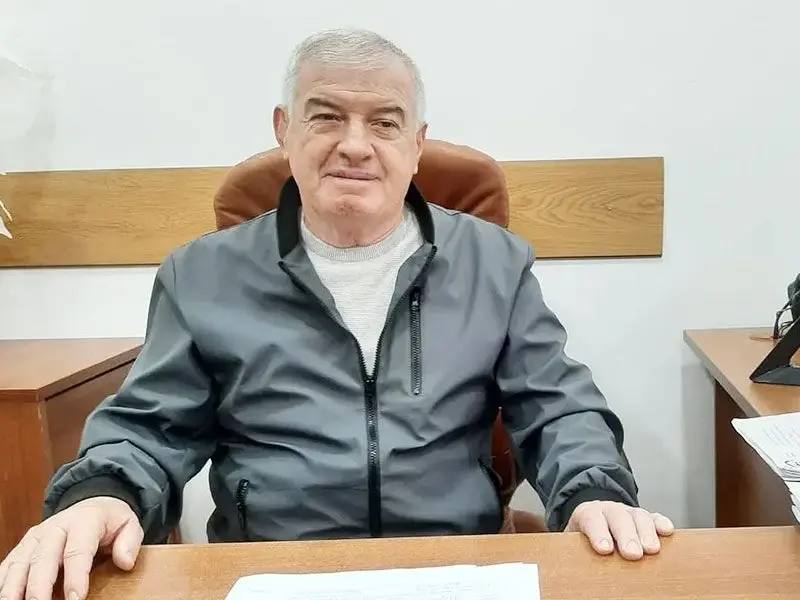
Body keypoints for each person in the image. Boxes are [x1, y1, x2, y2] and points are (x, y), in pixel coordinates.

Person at [0, 28, 673, 600]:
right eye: (326, 117)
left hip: (454, 566)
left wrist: (593, 490)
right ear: (284, 130)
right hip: (271, 571)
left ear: (417, 144)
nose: (355, 144)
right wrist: (103, 493)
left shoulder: (494, 262)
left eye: (384, 123)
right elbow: (150, 426)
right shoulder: (200, 274)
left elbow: (557, 406)